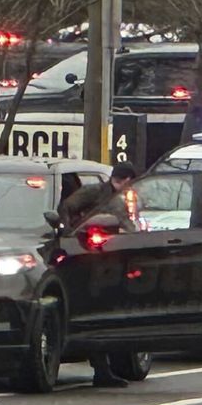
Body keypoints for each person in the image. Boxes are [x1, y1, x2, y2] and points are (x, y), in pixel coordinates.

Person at [58, 161, 138, 387]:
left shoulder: (126, 198)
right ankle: (101, 369)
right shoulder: (94, 192)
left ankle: (107, 369)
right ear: (123, 179)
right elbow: (66, 208)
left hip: (114, 257)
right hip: (91, 257)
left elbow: (128, 224)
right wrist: (70, 234)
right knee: (96, 310)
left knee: (111, 313)